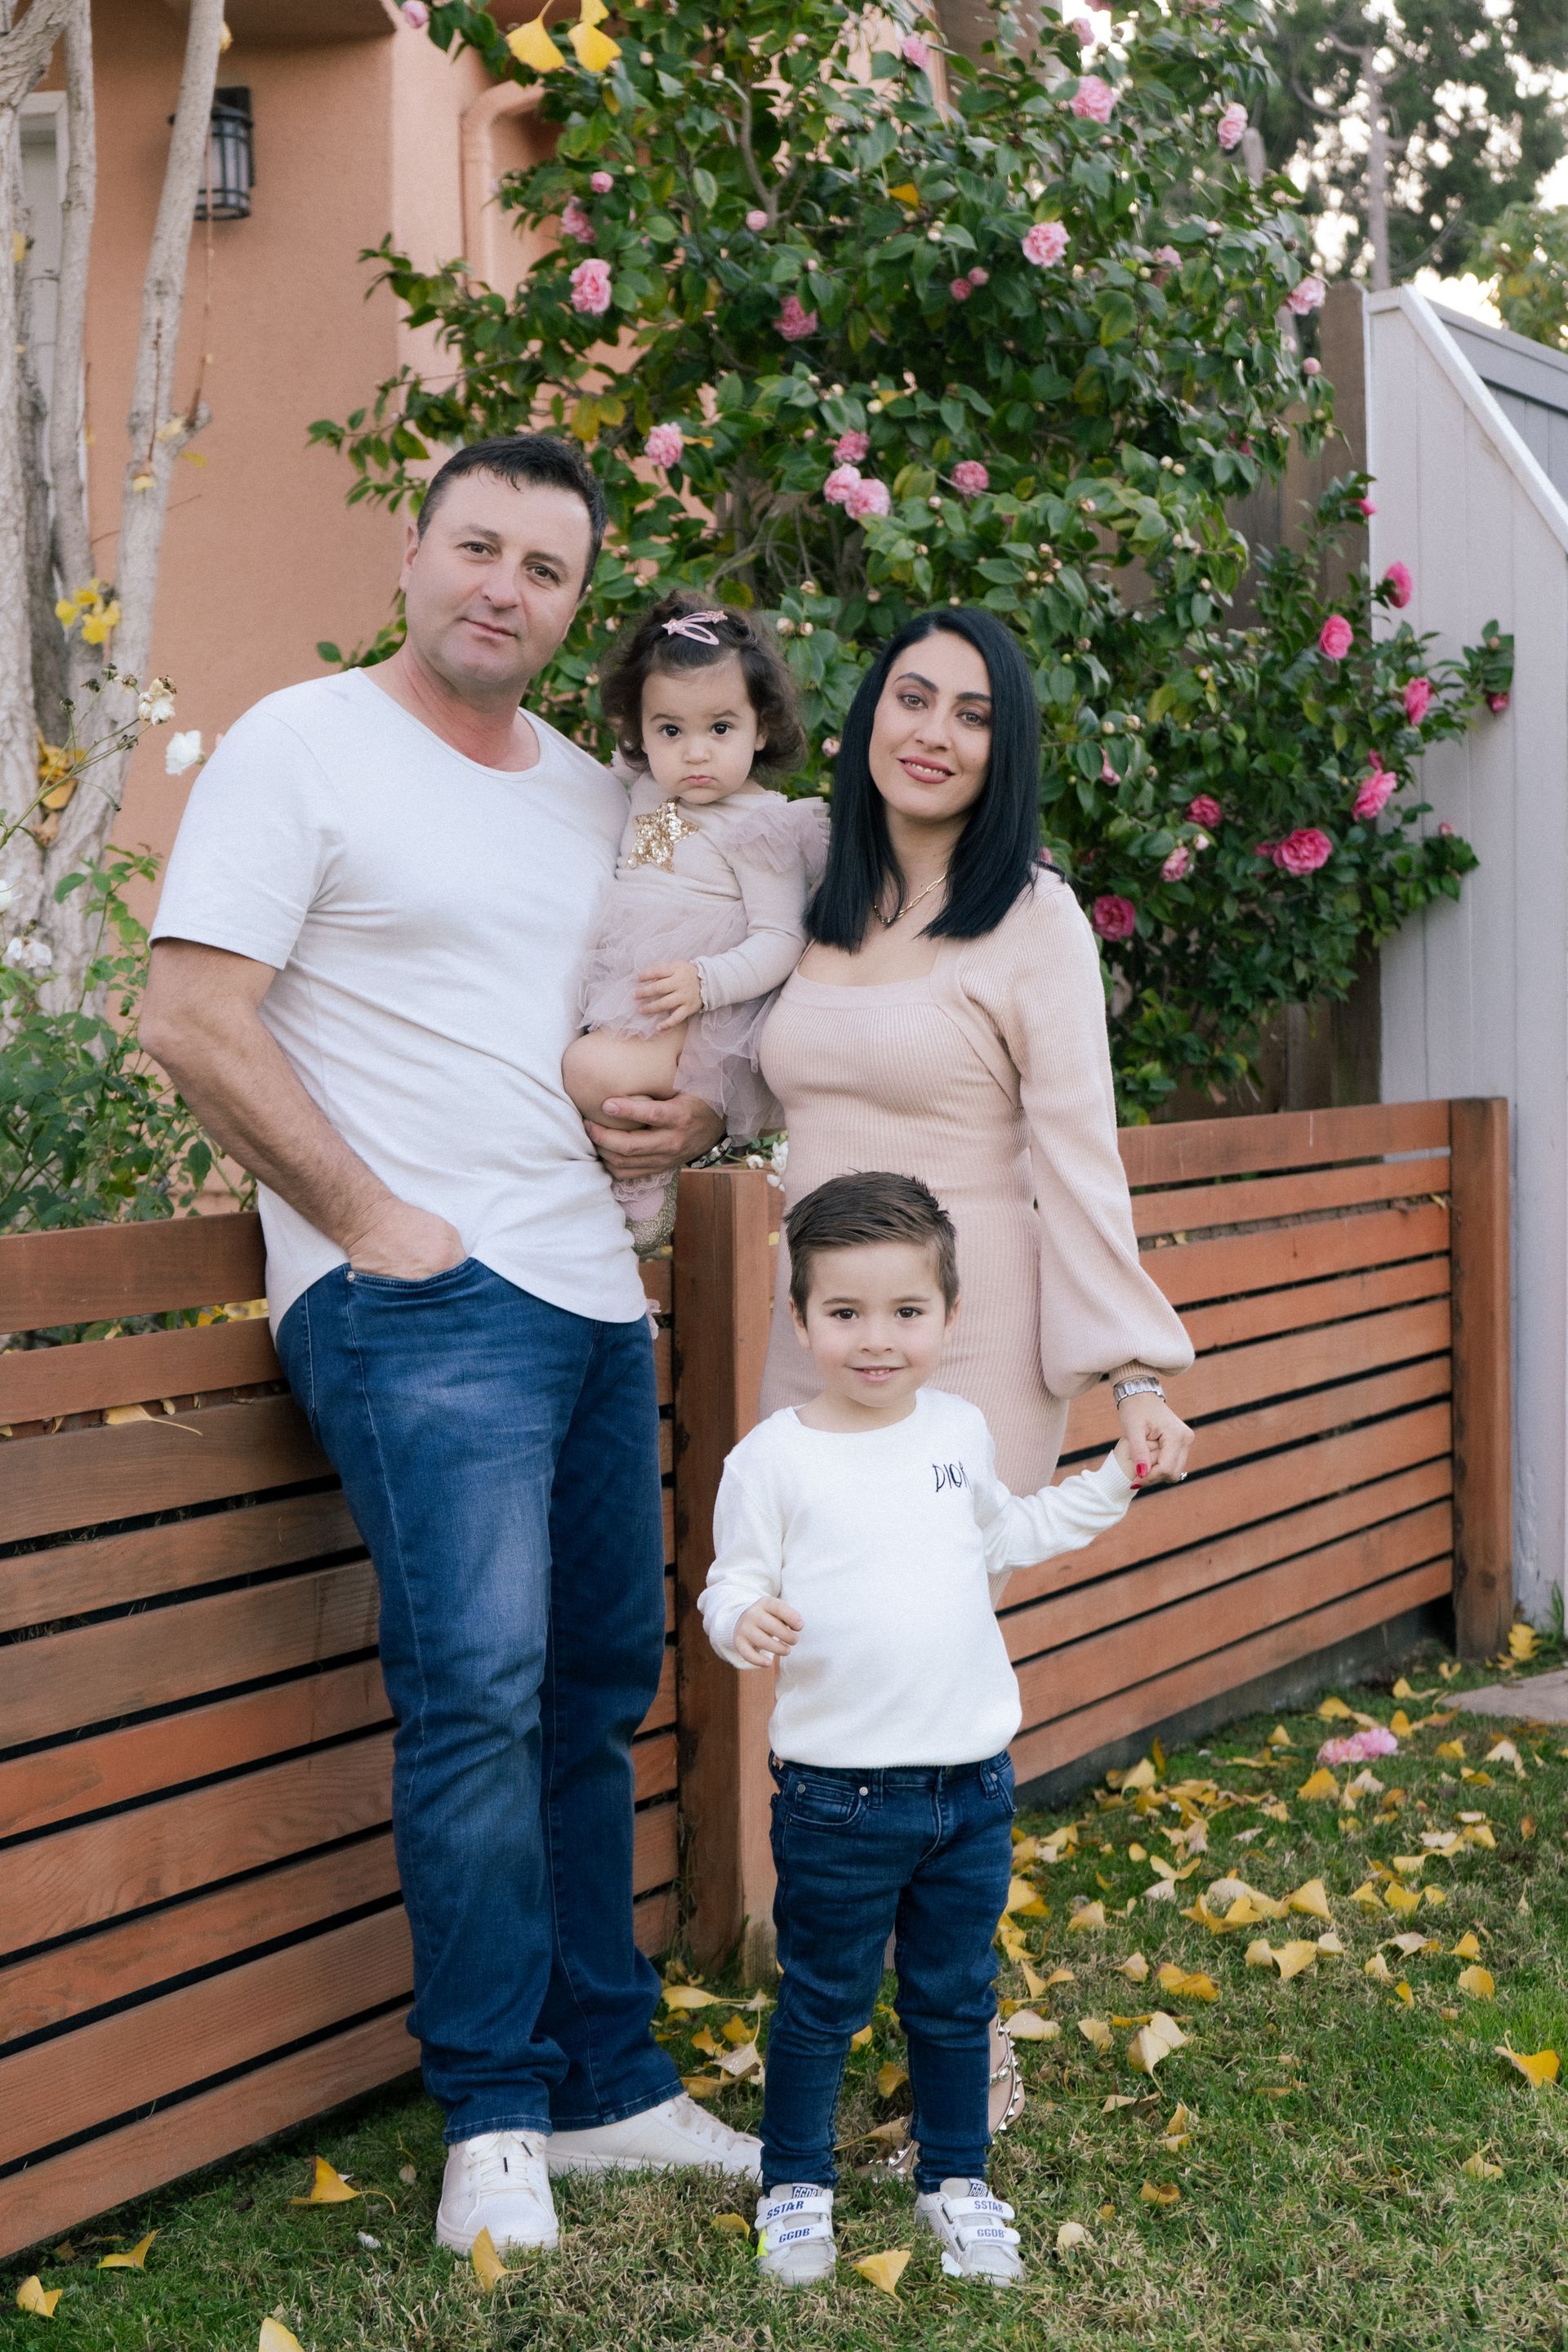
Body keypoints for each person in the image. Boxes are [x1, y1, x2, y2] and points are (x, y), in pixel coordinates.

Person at [140, 434, 760, 2260]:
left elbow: (658, 1015)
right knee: (481, 1692)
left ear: (576, 610)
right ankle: (492, 2113)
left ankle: (606, 2085)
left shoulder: (598, 794)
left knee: (591, 1690)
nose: (505, 586)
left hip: (593, 1299)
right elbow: (190, 1016)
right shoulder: (303, 743)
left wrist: (697, 1124)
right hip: (421, 1299)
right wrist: (371, 1221)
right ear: (413, 557)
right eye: (477, 546)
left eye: (546, 568)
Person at [700, 1172, 1141, 2290]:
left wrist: (1115, 1480)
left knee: (954, 1997)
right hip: (836, 1799)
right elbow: (730, 1580)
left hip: (971, 1788)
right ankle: (795, 2187)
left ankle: (955, 2181)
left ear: (947, 1315)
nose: (877, 1339)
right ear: (801, 1318)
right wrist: (741, 1618)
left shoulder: (958, 1429)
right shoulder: (774, 1458)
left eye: (907, 1311)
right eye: (845, 1312)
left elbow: (1013, 1533)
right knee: (823, 2003)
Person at [756, 607, 1194, 1495]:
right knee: (798, 1581)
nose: (933, 734)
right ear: (871, 713)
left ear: (1006, 749)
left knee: (936, 1586)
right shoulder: (808, 890)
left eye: (973, 716)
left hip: (968, 1340)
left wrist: (1135, 1375)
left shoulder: (1034, 920)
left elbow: (1078, 1156)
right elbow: (670, 841)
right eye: (913, 699)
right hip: (817, 1336)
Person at [564, 593, 826, 1249]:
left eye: (721, 728)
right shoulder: (650, 786)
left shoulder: (760, 826)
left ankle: (645, 1174)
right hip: (633, 972)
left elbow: (781, 938)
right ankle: (631, 1167)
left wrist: (705, 982)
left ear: (761, 728)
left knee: (590, 1073)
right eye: (670, 731)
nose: (695, 753)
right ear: (640, 732)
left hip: (699, 1001)